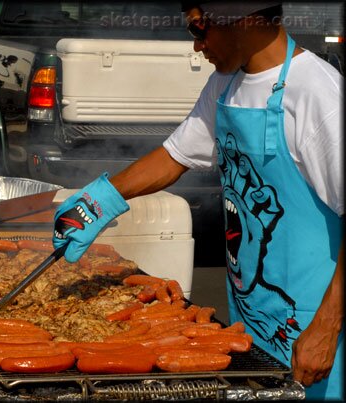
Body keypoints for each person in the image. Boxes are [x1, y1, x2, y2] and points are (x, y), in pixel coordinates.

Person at [52, 1, 343, 400]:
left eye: (199, 30)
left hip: (317, 330)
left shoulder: (318, 96)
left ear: (244, 18)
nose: (196, 46)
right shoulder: (227, 84)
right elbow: (175, 156)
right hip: (253, 322)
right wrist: (99, 199)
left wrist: (326, 328)